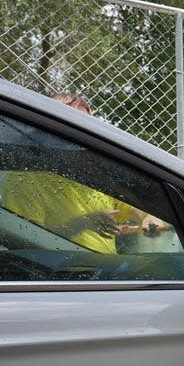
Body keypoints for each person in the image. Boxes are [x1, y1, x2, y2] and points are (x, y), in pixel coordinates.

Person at [2, 93, 147, 253]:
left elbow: (136, 210)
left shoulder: (95, 174)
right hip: (58, 273)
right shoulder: (23, 178)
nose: (83, 136)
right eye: (74, 126)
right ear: (48, 128)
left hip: (106, 270)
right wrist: (83, 223)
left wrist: (148, 220)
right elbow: (26, 241)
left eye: (87, 127)